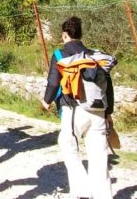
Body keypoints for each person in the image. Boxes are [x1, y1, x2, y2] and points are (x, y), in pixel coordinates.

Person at [42, 16, 114, 199]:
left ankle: (82, 192)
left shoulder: (60, 54)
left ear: (65, 35)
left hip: (74, 109)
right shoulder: (94, 55)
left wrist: (46, 101)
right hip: (98, 110)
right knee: (99, 155)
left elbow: (53, 81)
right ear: (80, 35)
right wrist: (108, 112)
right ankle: (104, 195)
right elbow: (108, 84)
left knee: (68, 146)